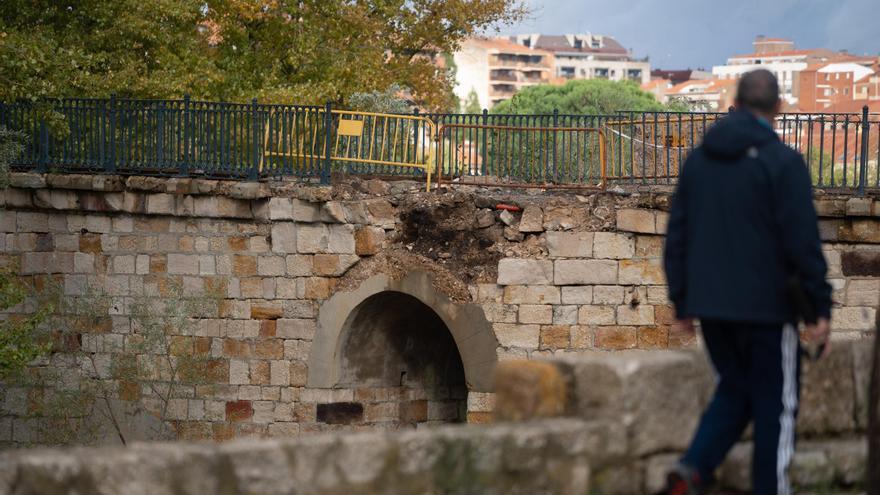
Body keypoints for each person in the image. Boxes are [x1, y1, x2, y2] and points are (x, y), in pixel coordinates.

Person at [662, 69, 833, 495]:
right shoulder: (784, 163)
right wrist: (820, 308)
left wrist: (682, 303)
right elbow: (802, 242)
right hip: (768, 309)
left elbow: (678, 236)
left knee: (736, 388)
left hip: (712, 307)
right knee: (777, 407)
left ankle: (693, 470)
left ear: (733, 105)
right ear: (778, 108)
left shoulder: (699, 161)